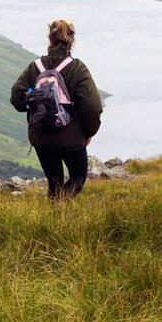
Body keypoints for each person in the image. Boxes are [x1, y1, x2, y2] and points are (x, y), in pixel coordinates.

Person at [10, 19, 102, 199]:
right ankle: (60, 210)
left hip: (41, 137)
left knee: (54, 183)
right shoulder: (77, 69)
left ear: (50, 39)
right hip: (71, 139)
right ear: (71, 41)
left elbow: (16, 98)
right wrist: (89, 132)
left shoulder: (35, 67)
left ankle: (54, 214)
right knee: (77, 177)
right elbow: (92, 106)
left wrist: (34, 106)